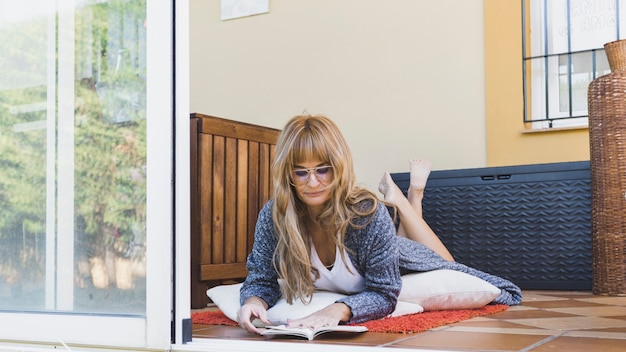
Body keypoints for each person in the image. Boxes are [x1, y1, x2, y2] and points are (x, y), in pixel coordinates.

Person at [237, 114, 522, 335]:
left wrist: (338, 310)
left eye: (323, 169)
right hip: (379, 246)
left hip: (403, 257)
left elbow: (385, 293)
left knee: (446, 262)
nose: (312, 182)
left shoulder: (365, 212)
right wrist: (253, 302)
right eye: (301, 173)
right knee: (399, 238)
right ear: (287, 175)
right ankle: (405, 201)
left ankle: (409, 197)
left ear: (339, 166)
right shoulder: (274, 216)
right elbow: (260, 279)